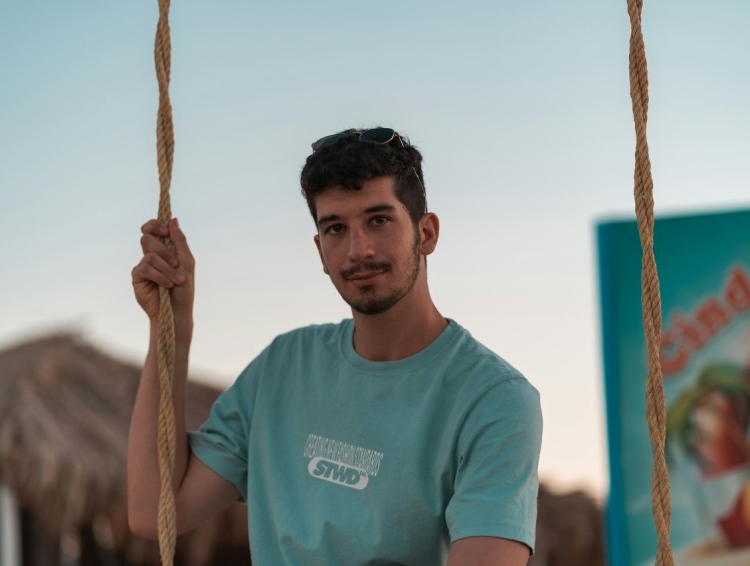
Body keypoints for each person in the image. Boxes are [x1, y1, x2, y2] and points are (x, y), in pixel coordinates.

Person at [128, 127, 543, 565]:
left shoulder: (494, 399)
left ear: (427, 233)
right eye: (335, 229)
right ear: (319, 250)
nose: (357, 250)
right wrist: (171, 328)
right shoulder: (282, 368)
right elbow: (153, 513)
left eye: (378, 220)